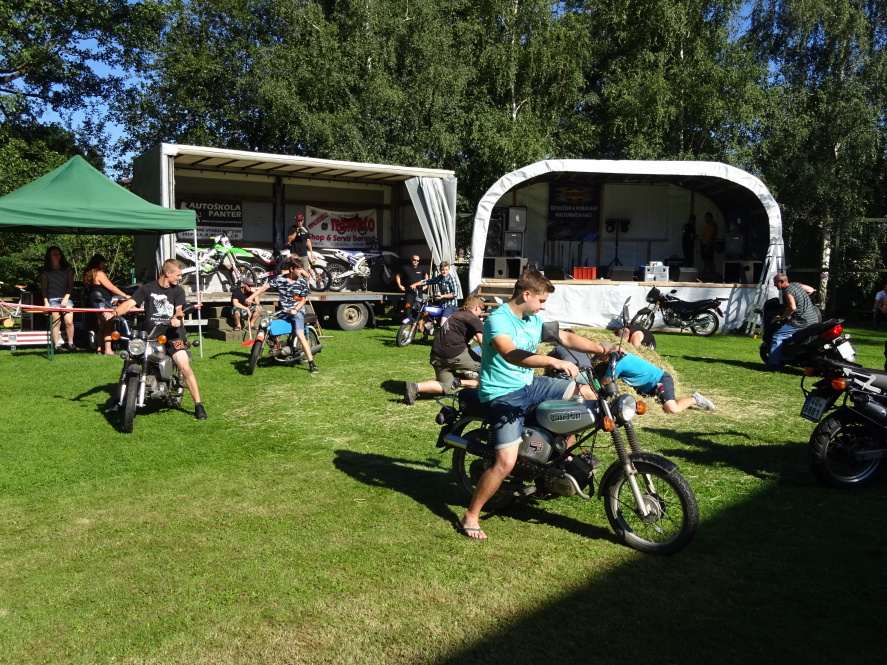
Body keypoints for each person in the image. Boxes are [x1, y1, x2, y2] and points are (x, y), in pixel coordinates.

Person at [458, 269, 610, 541]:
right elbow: (510, 353)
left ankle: (563, 454)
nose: (544, 306)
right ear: (526, 294)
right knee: (506, 462)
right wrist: (552, 361)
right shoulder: (498, 320)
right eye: (541, 300)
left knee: (585, 393)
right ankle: (471, 515)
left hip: (530, 385)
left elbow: (565, 337)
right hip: (503, 393)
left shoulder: (533, 319)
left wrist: (602, 350)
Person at [114, 259, 207, 420]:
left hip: (173, 334)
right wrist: (114, 313)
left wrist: (177, 318)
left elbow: (180, 309)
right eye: (178, 275)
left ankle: (198, 405)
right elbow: (129, 303)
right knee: (129, 360)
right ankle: (120, 400)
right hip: (151, 335)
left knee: (184, 367)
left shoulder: (178, 291)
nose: (180, 278)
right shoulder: (147, 288)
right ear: (168, 273)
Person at [585, 343, 715, 414]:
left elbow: (604, 383)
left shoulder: (616, 363)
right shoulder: (619, 356)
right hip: (648, 389)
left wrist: (593, 390)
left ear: (608, 353)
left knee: (672, 409)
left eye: (601, 357)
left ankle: (695, 399)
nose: (601, 361)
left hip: (659, 381)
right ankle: (658, 397)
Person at [403, 295, 486, 405]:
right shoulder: (473, 319)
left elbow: (470, 334)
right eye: (482, 309)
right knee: (486, 366)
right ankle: (488, 394)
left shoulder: (456, 314)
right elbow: (482, 342)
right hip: (454, 353)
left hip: (436, 354)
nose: (481, 312)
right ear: (477, 307)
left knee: (444, 385)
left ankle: (415, 387)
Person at [247, 256, 318, 373]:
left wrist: (295, 309)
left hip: (296, 312)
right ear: (291, 269)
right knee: (267, 328)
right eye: (299, 269)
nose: (301, 272)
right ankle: (262, 355)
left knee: (300, 334)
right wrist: (251, 297)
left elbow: (303, 300)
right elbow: (264, 287)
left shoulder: (302, 282)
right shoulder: (280, 279)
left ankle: (311, 364)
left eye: (301, 269)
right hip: (283, 311)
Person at [767, 273, 819, 370]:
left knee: (778, 336)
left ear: (782, 282)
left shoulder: (787, 290)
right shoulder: (796, 285)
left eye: (775, 282)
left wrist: (782, 317)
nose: (774, 285)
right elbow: (810, 290)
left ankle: (774, 365)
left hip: (802, 321)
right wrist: (801, 298)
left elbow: (792, 307)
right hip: (813, 318)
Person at [83, 254, 130, 355]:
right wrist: (125, 296)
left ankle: (100, 348)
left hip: (96, 303)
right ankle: (108, 350)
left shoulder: (88, 274)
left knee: (102, 326)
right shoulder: (99, 274)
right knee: (109, 325)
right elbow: (111, 287)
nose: (104, 266)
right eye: (103, 263)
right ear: (98, 263)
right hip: (103, 303)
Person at [41, 245, 75, 351]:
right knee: (56, 322)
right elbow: (44, 287)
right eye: (54, 254)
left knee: (69, 322)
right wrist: (46, 302)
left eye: (58, 253)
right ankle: (57, 345)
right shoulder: (46, 271)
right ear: (49, 256)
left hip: (66, 298)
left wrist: (66, 298)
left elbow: (71, 285)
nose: (56, 255)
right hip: (52, 299)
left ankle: (71, 344)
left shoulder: (68, 269)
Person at [412, 261, 460, 326]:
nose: (444, 271)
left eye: (446, 270)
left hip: (450, 305)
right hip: (442, 304)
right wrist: (415, 284)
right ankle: (427, 332)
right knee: (431, 318)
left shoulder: (452, 279)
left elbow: (455, 294)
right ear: (440, 270)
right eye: (443, 270)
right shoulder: (440, 278)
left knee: (442, 323)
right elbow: (428, 281)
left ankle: (445, 331)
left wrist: (442, 296)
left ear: (449, 270)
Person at [395, 254, 428, 321]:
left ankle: (419, 325)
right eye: (414, 260)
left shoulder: (421, 269)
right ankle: (407, 323)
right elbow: (397, 276)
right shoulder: (406, 269)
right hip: (409, 293)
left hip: (419, 292)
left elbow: (426, 275)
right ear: (411, 260)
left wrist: (426, 285)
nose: (416, 262)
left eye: (417, 261)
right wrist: (400, 285)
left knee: (419, 309)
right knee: (408, 308)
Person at [286, 213, 317, 279]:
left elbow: (308, 241)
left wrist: (311, 252)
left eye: (301, 220)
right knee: (294, 273)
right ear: (295, 221)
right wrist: (296, 232)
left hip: (303, 254)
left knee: (305, 273)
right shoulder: (291, 228)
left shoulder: (305, 229)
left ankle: (306, 285)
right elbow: (289, 240)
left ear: (303, 221)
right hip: (294, 254)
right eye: (298, 220)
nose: (300, 222)